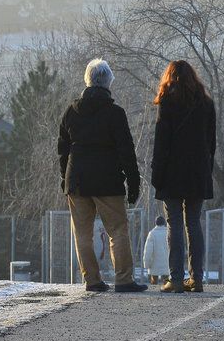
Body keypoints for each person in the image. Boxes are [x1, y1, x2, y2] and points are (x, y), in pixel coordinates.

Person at [58, 58, 147, 293]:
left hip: (76, 180)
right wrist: (134, 182)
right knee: (117, 230)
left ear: (87, 80)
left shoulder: (71, 111)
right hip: (108, 181)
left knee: (83, 233)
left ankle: (92, 280)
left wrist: (63, 178)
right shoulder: (115, 113)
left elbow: (62, 149)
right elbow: (126, 150)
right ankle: (124, 279)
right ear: (108, 83)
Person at [150, 60, 217, 294]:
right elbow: (211, 144)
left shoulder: (167, 104)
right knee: (194, 224)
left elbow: (161, 144)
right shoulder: (207, 105)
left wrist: (156, 175)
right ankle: (196, 278)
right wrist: (205, 171)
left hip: (172, 174)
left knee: (174, 225)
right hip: (198, 173)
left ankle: (176, 279)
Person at [142, 216, 169, 285]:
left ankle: (154, 293)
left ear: (155, 223)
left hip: (154, 263)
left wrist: (146, 263)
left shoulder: (152, 233)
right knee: (166, 281)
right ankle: (167, 290)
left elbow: (148, 250)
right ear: (164, 223)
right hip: (167, 263)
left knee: (154, 281)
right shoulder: (168, 233)